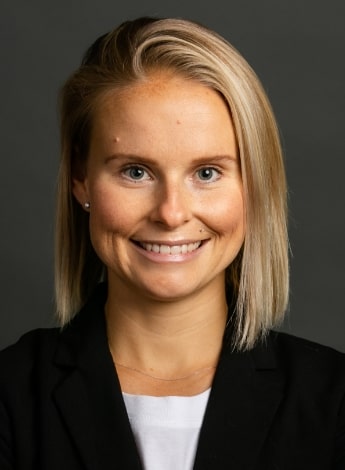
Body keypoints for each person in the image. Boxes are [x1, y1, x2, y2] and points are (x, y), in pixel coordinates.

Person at [0, 17, 344, 470]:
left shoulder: (335, 402)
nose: (171, 213)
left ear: (255, 186)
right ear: (81, 179)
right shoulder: (8, 397)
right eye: (135, 172)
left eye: (207, 173)